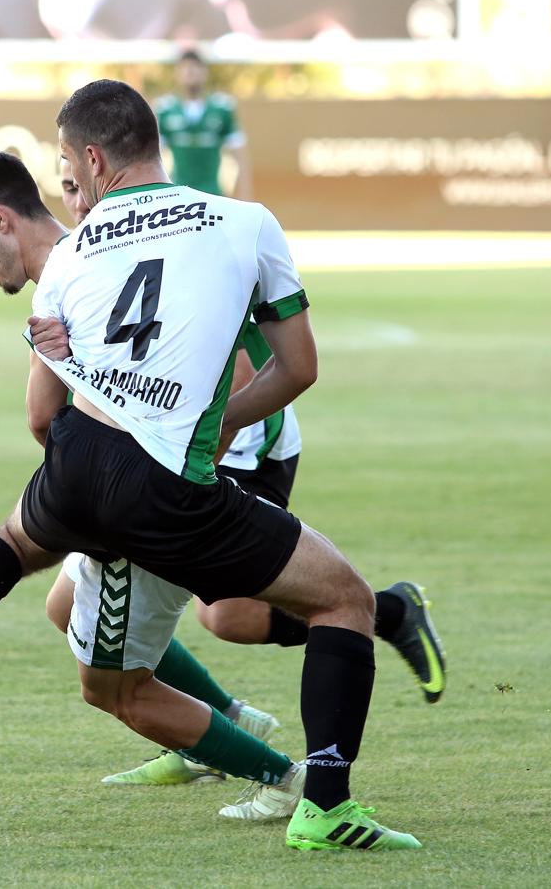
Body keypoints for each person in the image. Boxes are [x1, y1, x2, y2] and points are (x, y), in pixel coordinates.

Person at [0, 80, 422, 851]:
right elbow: (295, 370)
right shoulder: (245, 223)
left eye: (64, 162)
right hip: (163, 478)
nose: (67, 180)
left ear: (91, 158)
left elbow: (41, 417)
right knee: (343, 599)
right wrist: (207, 422)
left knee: (18, 543)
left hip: (77, 457)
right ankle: (324, 804)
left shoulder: (73, 251)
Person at [54, 157, 445, 792]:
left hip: (235, 450)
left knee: (229, 618)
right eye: (63, 190)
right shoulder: (98, 253)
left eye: (77, 186)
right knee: (69, 603)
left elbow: (238, 372)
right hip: (171, 455)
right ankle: (224, 728)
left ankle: (384, 615)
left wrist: (191, 460)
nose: (75, 202)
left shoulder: (178, 242)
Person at [155, 50, 252, 200]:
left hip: (213, 193)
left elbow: (240, 157)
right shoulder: (165, 109)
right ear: (177, 73)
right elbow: (153, 159)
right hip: (178, 194)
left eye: (195, 68)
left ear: (204, 72)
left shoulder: (222, 108)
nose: (190, 72)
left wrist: (246, 197)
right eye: (185, 68)